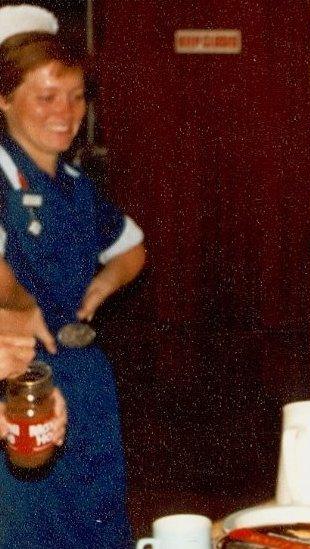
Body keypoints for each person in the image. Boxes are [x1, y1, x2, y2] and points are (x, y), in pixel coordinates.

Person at [0, 5, 145, 548]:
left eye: (77, 96)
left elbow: (132, 249)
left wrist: (102, 287)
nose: (66, 112)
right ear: (5, 99)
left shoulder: (77, 184)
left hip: (85, 378)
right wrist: (21, 302)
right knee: (32, 530)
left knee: (99, 522)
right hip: (19, 382)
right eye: (46, 97)